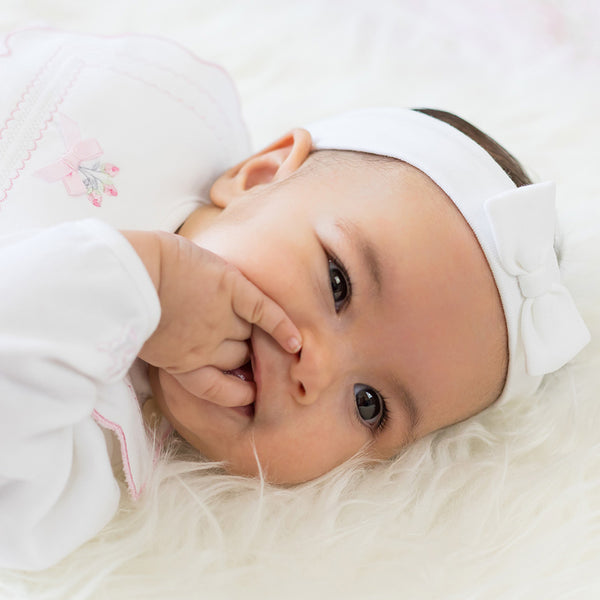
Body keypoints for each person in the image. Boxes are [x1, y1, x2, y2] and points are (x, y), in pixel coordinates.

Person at [0, 29, 590, 571]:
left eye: (369, 405)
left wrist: (139, 283)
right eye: (338, 283)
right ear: (260, 175)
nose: (319, 368)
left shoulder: (84, 464)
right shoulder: (166, 107)